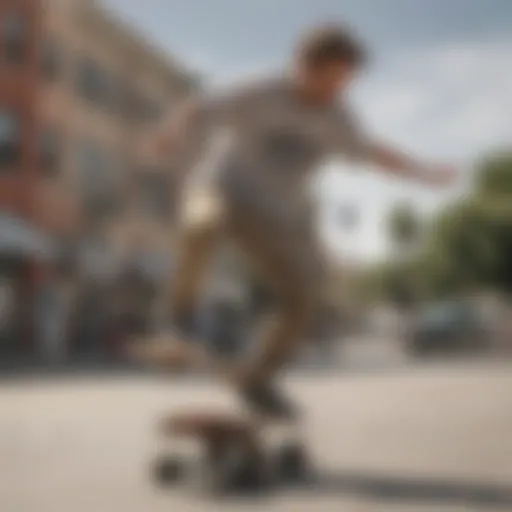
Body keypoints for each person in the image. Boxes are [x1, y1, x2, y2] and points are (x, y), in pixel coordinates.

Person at [138, 24, 457, 417]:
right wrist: (170, 134)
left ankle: (258, 378)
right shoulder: (260, 92)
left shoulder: (338, 117)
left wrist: (422, 172)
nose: (334, 91)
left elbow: (372, 151)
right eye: (328, 79)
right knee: (204, 221)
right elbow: (199, 108)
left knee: (302, 297)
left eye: (343, 82)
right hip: (225, 190)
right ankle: (180, 317)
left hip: (273, 218)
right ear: (301, 65)